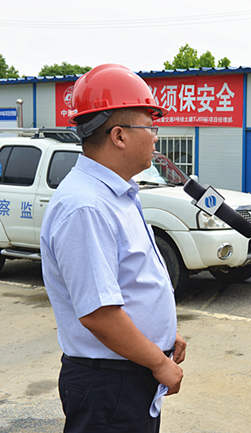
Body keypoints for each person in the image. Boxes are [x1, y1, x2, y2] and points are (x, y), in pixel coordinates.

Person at [40, 64, 186, 433]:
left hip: (126, 373)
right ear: (118, 136)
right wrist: (158, 360)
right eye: (149, 125)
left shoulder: (117, 193)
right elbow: (99, 313)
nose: (155, 136)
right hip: (108, 383)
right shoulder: (85, 205)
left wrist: (165, 337)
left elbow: (131, 279)